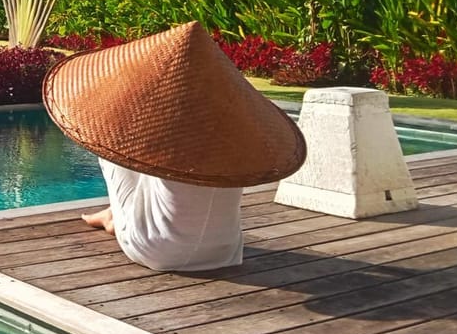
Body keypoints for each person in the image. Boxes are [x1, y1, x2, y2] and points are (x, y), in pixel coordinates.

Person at [43, 21, 306, 272]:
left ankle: (117, 218)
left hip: (156, 250)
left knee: (110, 141)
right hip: (225, 251)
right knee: (149, 157)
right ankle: (118, 214)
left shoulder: (170, 127)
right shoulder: (229, 130)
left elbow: (118, 137)